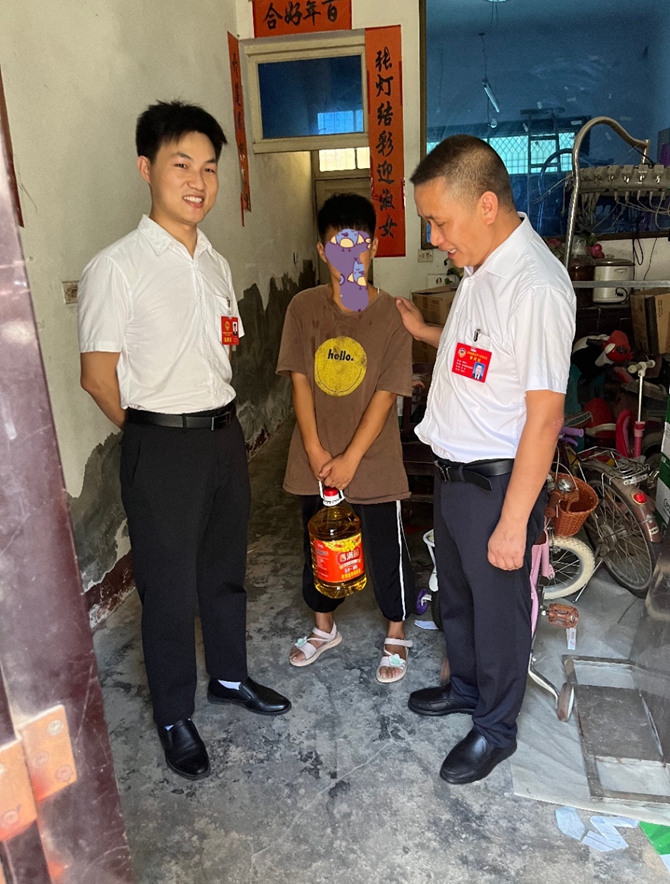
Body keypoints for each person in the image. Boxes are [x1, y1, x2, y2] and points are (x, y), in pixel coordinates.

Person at [78, 100, 290, 782]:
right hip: (162, 445)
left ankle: (229, 676)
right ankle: (174, 713)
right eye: (181, 165)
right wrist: (152, 433)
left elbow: (223, 348)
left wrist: (206, 429)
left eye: (209, 168)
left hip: (224, 435)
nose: (198, 181)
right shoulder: (117, 266)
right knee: (168, 590)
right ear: (147, 169)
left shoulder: (216, 264)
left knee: (224, 570)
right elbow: (97, 377)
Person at [396, 135, 575, 784]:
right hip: (455, 478)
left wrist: (513, 522)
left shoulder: (534, 286)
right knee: (459, 598)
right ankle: (466, 688)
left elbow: (545, 418)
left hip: (499, 488)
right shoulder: (480, 268)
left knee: (500, 615)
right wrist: (424, 332)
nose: (435, 237)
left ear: (487, 205)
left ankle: (496, 728)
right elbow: (481, 354)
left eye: (440, 221)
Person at [277, 193, 415, 683]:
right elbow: (299, 380)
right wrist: (316, 451)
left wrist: (352, 457)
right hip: (314, 457)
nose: (349, 258)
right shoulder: (303, 308)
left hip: (373, 458)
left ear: (373, 247)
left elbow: (386, 393)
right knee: (319, 542)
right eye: (338, 247)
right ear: (321, 250)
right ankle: (324, 627)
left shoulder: (394, 314)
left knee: (384, 548)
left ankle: (396, 631)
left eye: (358, 246)